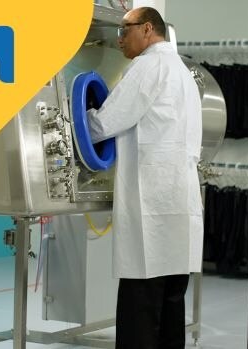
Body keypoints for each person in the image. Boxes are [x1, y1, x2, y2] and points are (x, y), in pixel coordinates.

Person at [86, 7, 203, 349]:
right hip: (179, 206)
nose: (119, 39)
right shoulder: (182, 71)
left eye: (125, 30)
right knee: (170, 311)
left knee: (140, 312)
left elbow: (106, 122)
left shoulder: (148, 66)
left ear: (148, 29)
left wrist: (74, 120)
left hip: (150, 207)